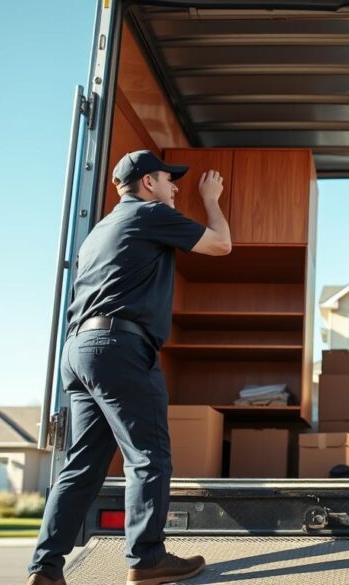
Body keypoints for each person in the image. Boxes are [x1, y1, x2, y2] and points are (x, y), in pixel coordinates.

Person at [27, 150, 232, 585]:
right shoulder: (149, 214)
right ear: (148, 183)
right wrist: (211, 199)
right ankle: (147, 559)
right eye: (169, 179)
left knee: (82, 465)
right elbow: (221, 244)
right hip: (118, 348)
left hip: (79, 350)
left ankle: (45, 568)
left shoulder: (99, 231)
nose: (175, 187)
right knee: (147, 456)